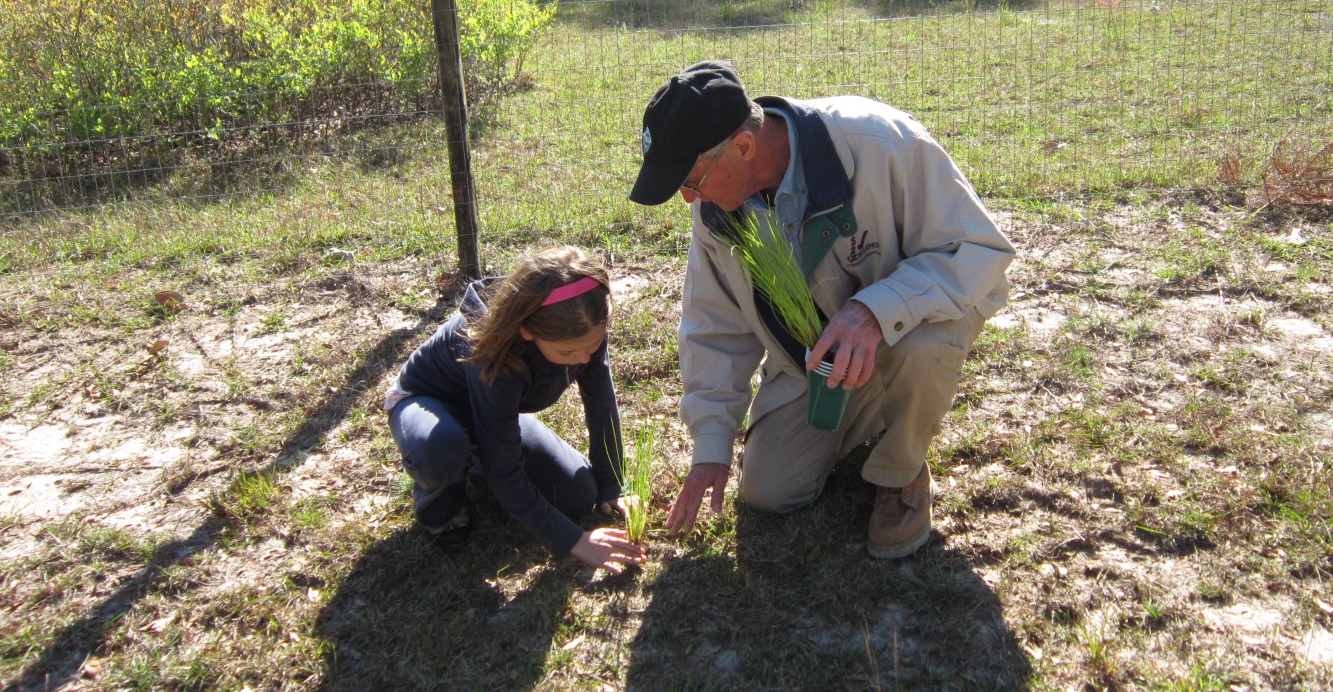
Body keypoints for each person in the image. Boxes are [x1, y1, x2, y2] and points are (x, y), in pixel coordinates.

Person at [629, 61, 1014, 558]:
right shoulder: (716, 212)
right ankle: (874, 404)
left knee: (924, 345)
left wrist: (875, 311)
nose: (686, 198)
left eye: (691, 178)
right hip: (812, 360)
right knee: (769, 492)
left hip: (911, 328)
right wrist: (711, 447)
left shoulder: (880, 142)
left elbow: (979, 251)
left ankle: (902, 471)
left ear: (743, 147)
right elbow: (713, 329)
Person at [384, 246, 645, 573]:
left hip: (495, 413)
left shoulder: (583, 332)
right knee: (444, 446)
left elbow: (601, 404)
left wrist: (611, 483)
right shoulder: (495, 356)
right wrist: (573, 541)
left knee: (579, 496)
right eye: (567, 352)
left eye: (592, 346)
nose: (583, 358)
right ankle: (442, 512)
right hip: (427, 405)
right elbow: (505, 472)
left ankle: (476, 460)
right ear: (527, 331)